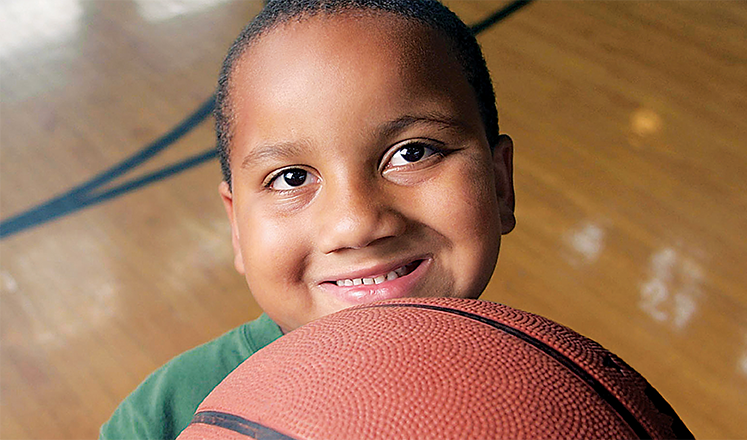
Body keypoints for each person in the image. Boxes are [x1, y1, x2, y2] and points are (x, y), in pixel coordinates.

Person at [99, 1, 515, 438]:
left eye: (413, 152)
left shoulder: (566, 378)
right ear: (237, 228)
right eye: (291, 177)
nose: (355, 223)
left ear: (499, 182)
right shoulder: (159, 420)